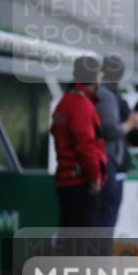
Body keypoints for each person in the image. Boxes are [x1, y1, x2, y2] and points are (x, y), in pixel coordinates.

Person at [51, 56, 107, 229]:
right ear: (96, 78)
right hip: (80, 183)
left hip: (66, 180)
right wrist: (95, 178)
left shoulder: (64, 102)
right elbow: (85, 146)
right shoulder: (81, 105)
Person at [94, 55, 138, 229]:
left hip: (109, 165)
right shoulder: (105, 95)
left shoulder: (108, 95)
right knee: (105, 216)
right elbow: (111, 130)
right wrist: (132, 123)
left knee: (104, 215)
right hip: (107, 164)